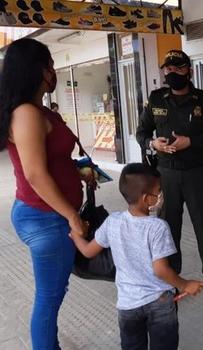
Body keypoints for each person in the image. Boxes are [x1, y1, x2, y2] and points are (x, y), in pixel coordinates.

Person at [0, 38, 90, 348]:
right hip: (45, 218)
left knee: (53, 294)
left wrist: (80, 173)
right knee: (49, 299)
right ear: (40, 70)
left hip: (50, 215)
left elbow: (53, 160)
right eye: (51, 65)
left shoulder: (40, 110)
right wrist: (72, 217)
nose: (54, 71)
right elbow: (35, 174)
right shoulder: (26, 112)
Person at [70, 163, 203, 349]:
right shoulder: (157, 227)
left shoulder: (113, 222)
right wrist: (185, 285)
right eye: (159, 191)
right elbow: (160, 270)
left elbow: (87, 251)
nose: (161, 195)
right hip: (160, 302)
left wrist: (76, 236)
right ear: (146, 199)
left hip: (128, 305)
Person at [136, 50, 203, 300]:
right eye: (168, 68)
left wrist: (192, 141)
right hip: (165, 176)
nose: (172, 73)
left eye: (178, 68)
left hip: (198, 174)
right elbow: (142, 132)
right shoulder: (156, 99)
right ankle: (171, 279)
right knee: (167, 230)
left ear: (189, 70)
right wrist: (152, 144)